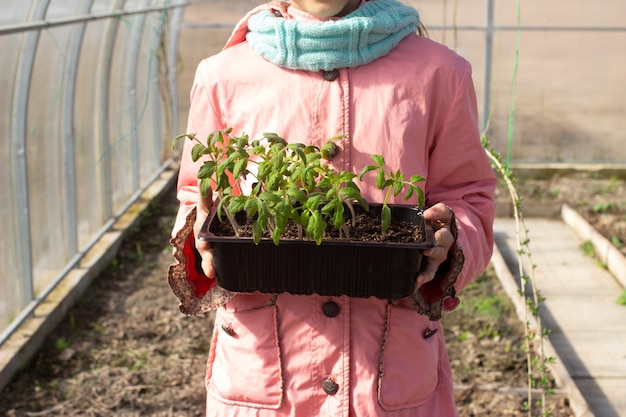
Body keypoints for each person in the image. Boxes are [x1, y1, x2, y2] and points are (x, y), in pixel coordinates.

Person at [169, 0, 497, 415]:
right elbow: (195, 198)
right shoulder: (223, 74)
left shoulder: (440, 72)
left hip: (388, 382)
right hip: (265, 380)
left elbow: (470, 198)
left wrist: (450, 240)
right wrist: (198, 240)